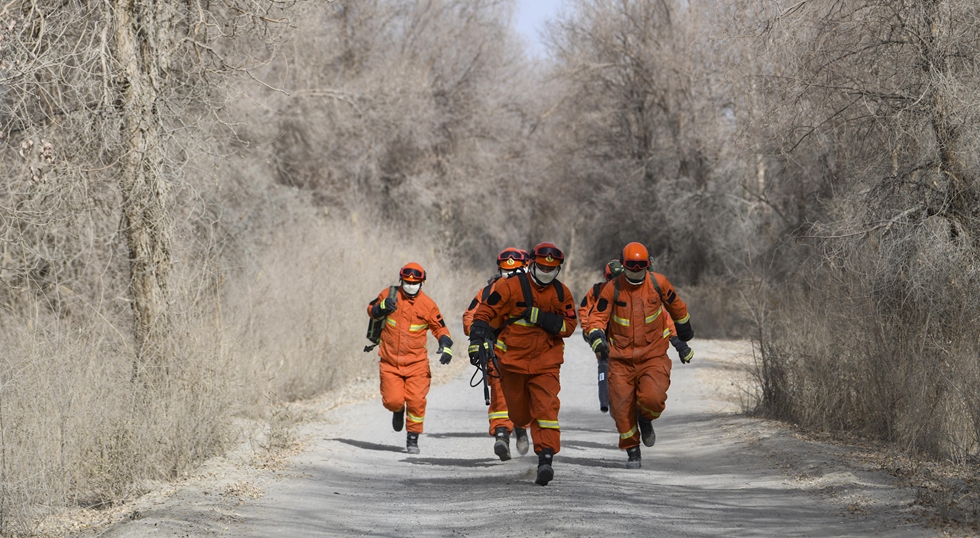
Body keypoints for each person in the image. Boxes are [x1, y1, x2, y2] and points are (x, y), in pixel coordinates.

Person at [469, 242, 577, 486]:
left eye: (552, 269)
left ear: (558, 269)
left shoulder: (562, 294)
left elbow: (569, 326)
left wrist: (542, 317)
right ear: (532, 264)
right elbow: (485, 311)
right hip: (512, 364)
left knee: (546, 410)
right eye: (542, 267)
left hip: (546, 364)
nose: (546, 272)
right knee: (519, 414)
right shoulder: (510, 287)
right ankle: (520, 428)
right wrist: (477, 338)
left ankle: (546, 459)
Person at [583, 242, 695, 469]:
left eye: (640, 266)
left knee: (652, 399)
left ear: (648, 265)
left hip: (652, 356)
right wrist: (596, 337)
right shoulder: (612, 288)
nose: (636, 271)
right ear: (623, 266)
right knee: (621, 410)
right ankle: (633, 451)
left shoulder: (658, 283)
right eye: (631, 267)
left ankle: (646, 419)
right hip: (619, 360)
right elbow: (597, 318)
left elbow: (676, 308)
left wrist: (684, 334)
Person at [367, 262, 453, 454]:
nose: (410, 285)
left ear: (422, 283)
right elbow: (371, 309)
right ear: (401, 280)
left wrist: (446, 345)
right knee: (393, 401)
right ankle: (398, 411)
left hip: (417, 365)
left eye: (415, 283)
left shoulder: (428, 305)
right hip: (390, 363)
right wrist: (381, 307)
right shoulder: (388, 295)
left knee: (416, 401)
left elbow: (440, 327)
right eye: (407, 282)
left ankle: (413, 438)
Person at [462, 248, 532, 461]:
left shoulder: (535, 291)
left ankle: (521, 428)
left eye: (516, 271)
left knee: (524, 394)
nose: (509, 276)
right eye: (505, 271)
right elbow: (469, 317)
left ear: (527, 268)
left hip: (526, 353)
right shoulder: (486, 292)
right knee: (500, 394)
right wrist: (477, 335)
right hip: (495, 352)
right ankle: (501, 435)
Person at [580, 260, 693, 363]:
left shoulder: (641, 297)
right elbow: (588, 313)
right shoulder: (599, 292)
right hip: (610, 351)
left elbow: (666, 322)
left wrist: (681, 345)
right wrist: (592, 334)